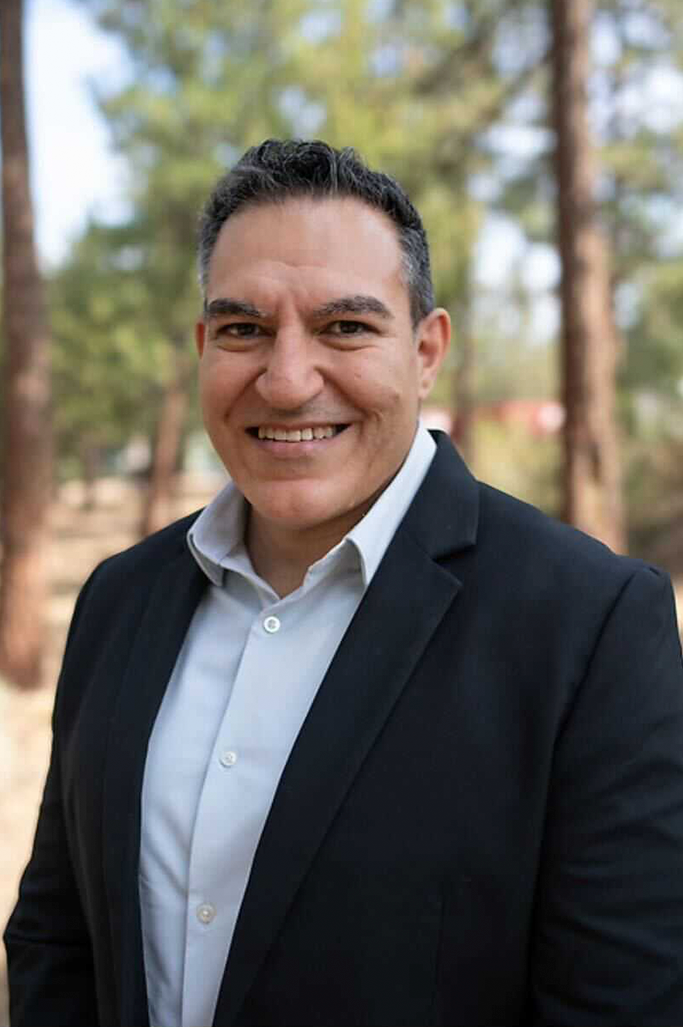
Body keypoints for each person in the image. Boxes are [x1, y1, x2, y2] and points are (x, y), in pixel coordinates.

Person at [5, 139, 683, 1027]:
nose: (287, 382)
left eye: (345, 327)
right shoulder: (117, 599)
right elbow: (58, 934)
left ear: (426, 351)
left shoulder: (589, 625)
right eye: (244, 329)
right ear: (205, 346)